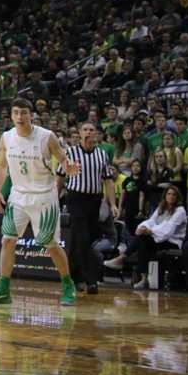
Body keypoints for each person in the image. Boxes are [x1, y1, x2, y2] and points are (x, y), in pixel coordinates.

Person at [0, 98, 80, 306]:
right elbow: (1, 167)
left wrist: (68, 166)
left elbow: (63, 158)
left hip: (44, 197)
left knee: (50, 245)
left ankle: (68, 285)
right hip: (17, 196)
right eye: (16, 112)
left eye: (23, 112)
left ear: (31, 115)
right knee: (8, 240)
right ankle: (3, 290)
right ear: (11, 115)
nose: (19, 117)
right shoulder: (6, 138)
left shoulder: (46, 137)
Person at [61, 122, 118, 294]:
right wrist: (54, 199)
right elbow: (59, 177)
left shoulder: (102, 154)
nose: (88, 132)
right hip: (76, 199)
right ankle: (89, 280)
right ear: (79, 133)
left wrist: (113, 203)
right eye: (85, 129)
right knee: (83, 237)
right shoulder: (70, 152)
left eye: (91, 130)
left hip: (95, 200)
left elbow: (108, 180)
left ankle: (73, 276)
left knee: (87, 240)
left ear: (96, 134)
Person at [122, 185, 187, 289]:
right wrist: (143, 227)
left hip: (172, 242)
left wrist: (150, 231)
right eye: (169, 194)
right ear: (165, 195)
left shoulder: (180, 211)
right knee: (143, 240)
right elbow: (151, 221)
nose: (171, 196)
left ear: (177, 197)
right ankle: (142, 278)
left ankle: (123, 258)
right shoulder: (161, 208)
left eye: (174, 195)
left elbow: (168, 230)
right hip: (156, 239)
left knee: (143, 240)